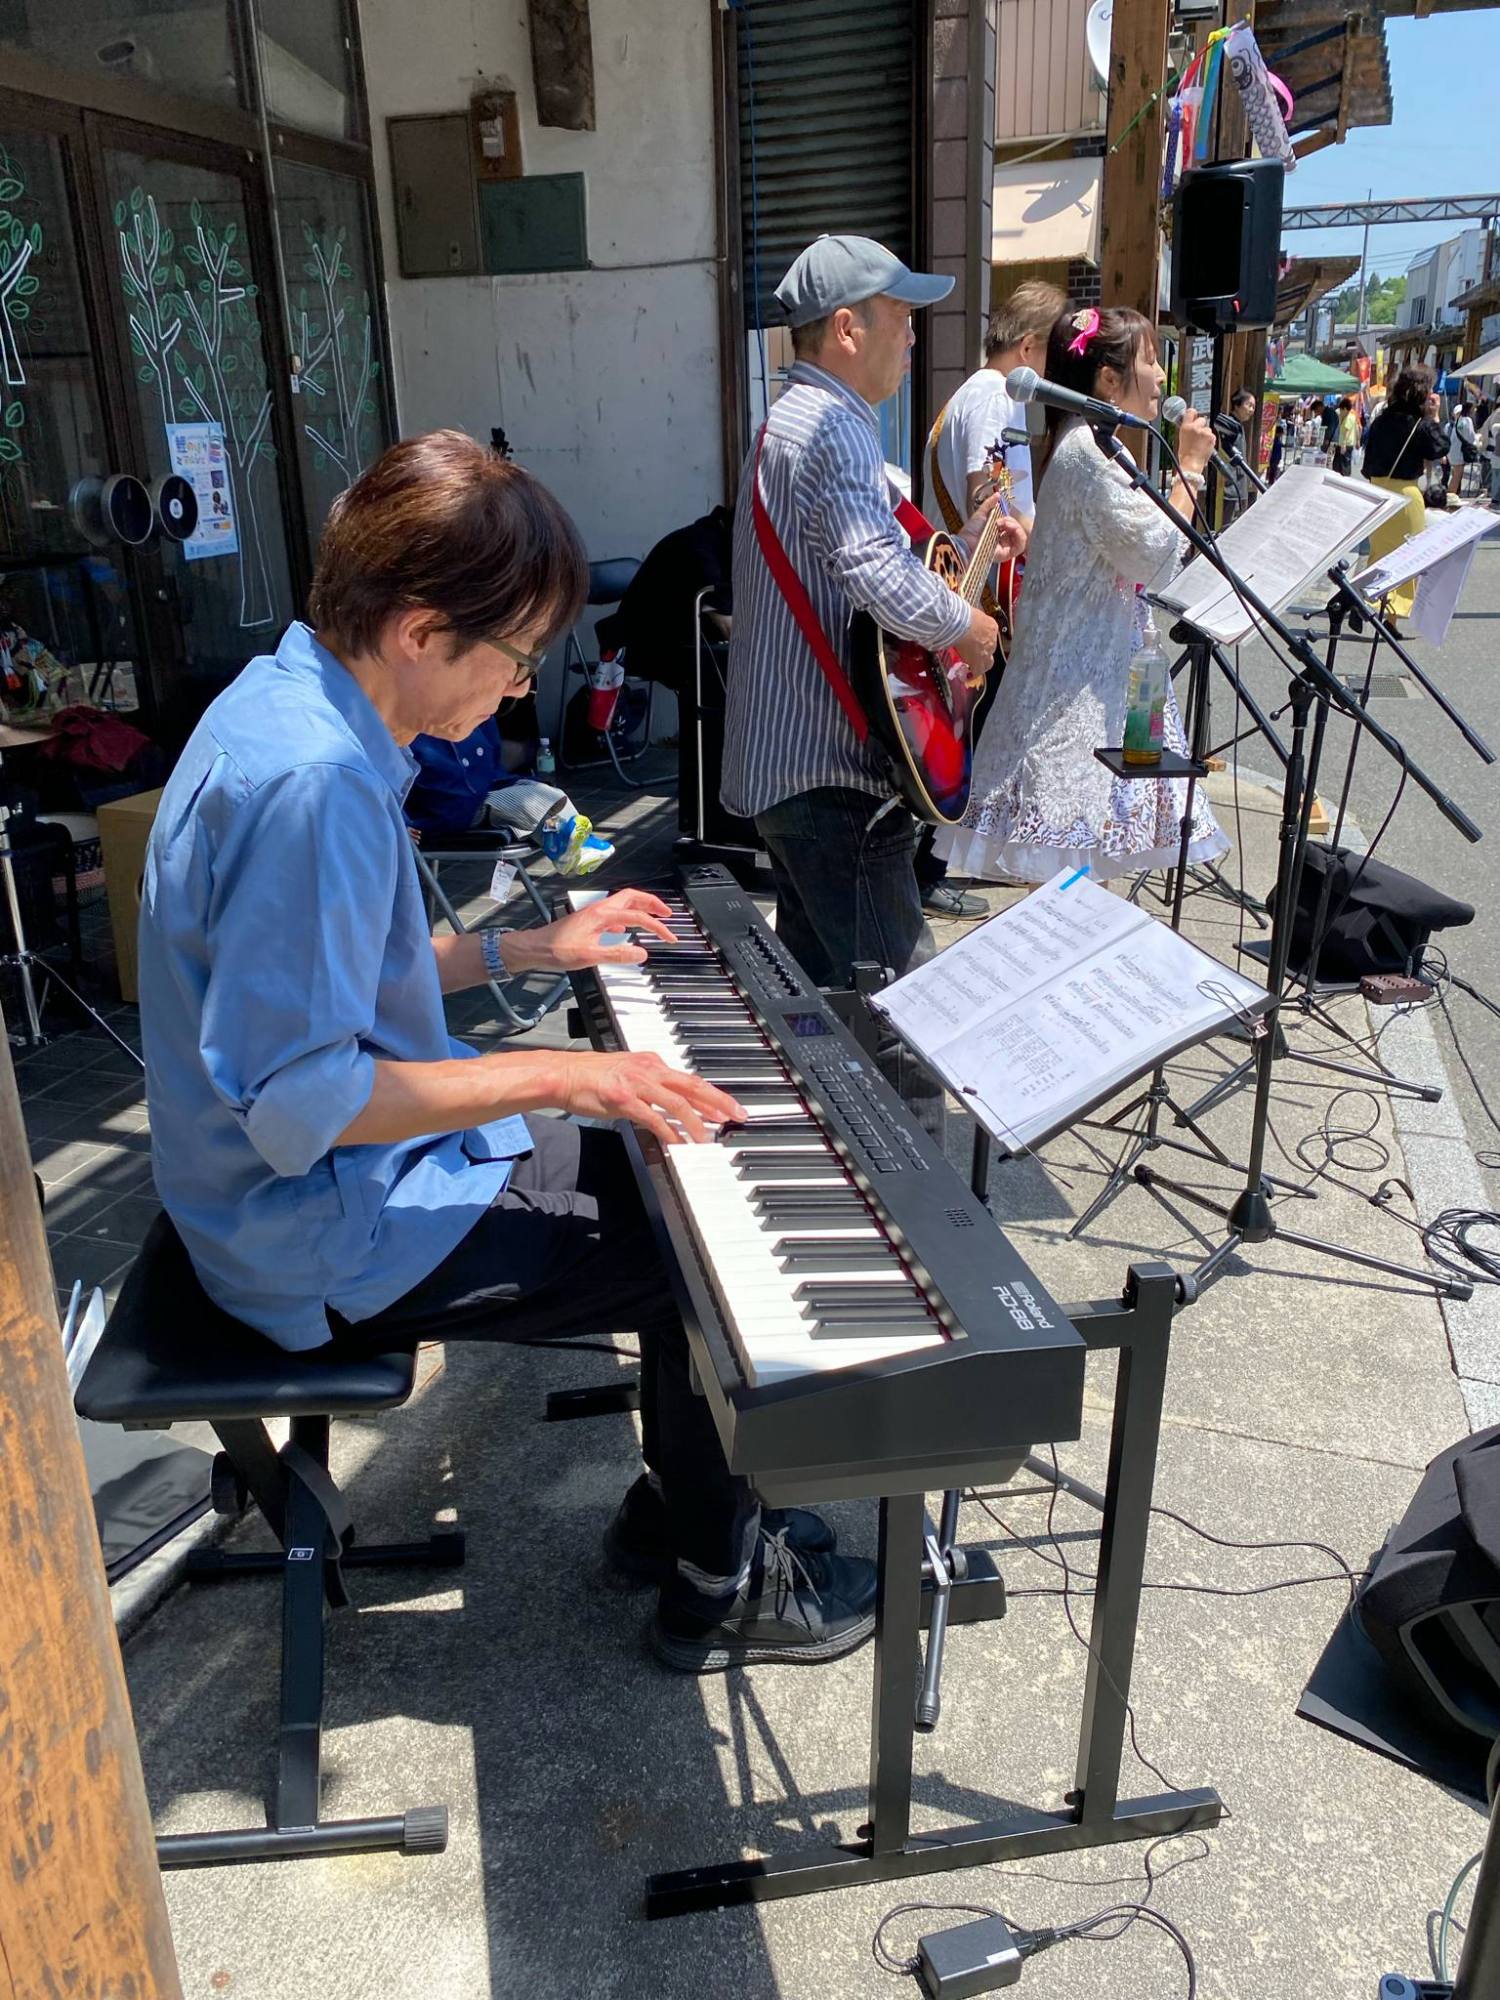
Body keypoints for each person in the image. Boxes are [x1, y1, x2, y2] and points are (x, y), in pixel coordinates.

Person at [137, 429, 881, 1675]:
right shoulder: (316, 785)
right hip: (314, 1227)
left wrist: (529, 947)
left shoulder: (284, 702)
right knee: (697, 1242)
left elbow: (335, 976)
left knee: (659, 1170)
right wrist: (573, 1071)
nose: (524, 690)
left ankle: (677, 1506)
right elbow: (305, 1101)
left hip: (294, 1188)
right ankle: (719, 1578)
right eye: (518, 655)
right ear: (421, 630)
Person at [721, 234, 1022, 1041]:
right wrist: (971, 627)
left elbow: (877, 560)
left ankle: (828, 1119)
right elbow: (880, 578)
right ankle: (903, 1129)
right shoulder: (833, 427)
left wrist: (974, 547)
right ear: (847, 328)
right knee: (903, 1019)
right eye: (902, 315)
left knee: (822, 1011)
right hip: (833, 776)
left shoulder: (793, 420)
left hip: (793, 769)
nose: (914, 334)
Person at [937, 305, 1228, 886]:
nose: (1161, 377)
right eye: (1150, 360)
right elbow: (1151, 553)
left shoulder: (1095, 446)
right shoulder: (1088, 452)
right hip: (1074, 697)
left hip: (1095, 679)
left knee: (1082, 888)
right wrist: (1191, 469)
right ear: (1108, 379)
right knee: (1071, 885)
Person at [914, 276, 1064, 919]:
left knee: (967, 728)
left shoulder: (974, 395)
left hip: (968, 587)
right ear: (1029, 347)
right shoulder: (995, 399)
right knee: (966, 731)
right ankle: (928, 867)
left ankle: (946, 857)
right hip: (979, 592)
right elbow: (989, 494)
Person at [1362, 367, 1450, 629]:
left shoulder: (1381, 421)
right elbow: (1439, 448)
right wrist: (1434, 417)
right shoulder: (1419, 425)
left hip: (1378, 493)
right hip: (1405, 495)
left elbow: (1367, 464)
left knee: (1379, 555)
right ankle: (1388, 615)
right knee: (1406, 558)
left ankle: (1368, 606)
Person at [1219, 386, 1258, 522]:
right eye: (1249, 405)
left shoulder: (1238, 425)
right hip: (1231, 486)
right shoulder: (1230, 425)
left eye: (1253, 407)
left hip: (1238, 486)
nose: (1251, 410)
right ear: (1237, 405)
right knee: (1227, 525)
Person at [1447, 398, 1478, 496]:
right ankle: (1450, 497)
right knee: (1457, 477)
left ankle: (1454, 495)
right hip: (1459, 453)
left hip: (1453, 452)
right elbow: (1471, 437)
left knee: (1455, 475)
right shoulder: (1467, 420)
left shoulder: (1458, 421)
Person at [1332, 396, 1358, 477]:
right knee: (1340, 464)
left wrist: (1343, 444)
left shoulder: (1349, 418)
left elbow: (1347, 432)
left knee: (1343, 465)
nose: (1340, 411)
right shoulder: (1349, 416)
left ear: (1345, 409)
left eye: (1341, 410)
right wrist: (1358, 440)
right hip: (1344, 444)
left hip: (1345, 444)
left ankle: (1344, 478)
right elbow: (1357, 428)